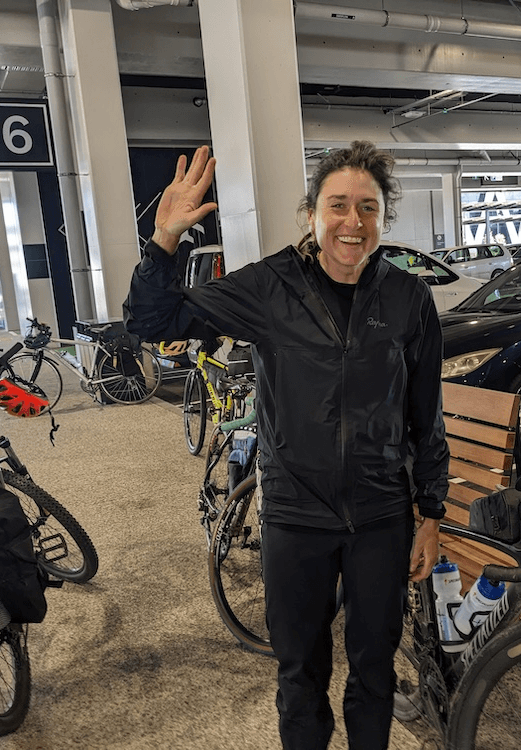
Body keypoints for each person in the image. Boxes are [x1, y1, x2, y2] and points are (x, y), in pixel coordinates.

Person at [123, 142, 449, 750]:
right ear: (311, 214)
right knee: (301, 674)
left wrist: (431, 513)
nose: (353, 223)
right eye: (338, 206)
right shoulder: (271, 287)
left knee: (374, 672)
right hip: (296, 515)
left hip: (380, 516)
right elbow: (151, 322)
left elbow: (424, 414)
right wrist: (163, 241)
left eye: (368, 208)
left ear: (381, 217)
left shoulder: (409, 299)